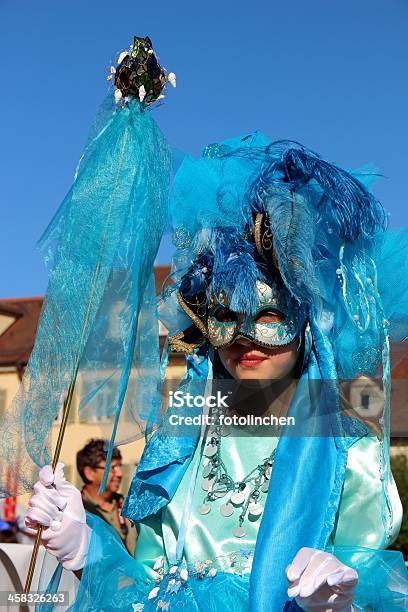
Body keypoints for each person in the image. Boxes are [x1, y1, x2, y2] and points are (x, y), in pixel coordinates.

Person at [24, 125, 408, 611]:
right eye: (226, 316)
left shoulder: (349, 459)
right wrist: (90, 551)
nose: (245, 338)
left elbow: (374, 589)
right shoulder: (181, 446)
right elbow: (143, 593)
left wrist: (341, 607)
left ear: (306, 323)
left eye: (269, 315)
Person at [76, 438, 136, 555]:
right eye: (112, 468)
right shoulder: (77, 511)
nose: (120, 473)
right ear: (90, 473)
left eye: (120, 466)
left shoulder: (129, 507)